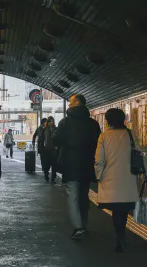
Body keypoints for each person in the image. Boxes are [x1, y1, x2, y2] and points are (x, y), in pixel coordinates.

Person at [53, 94, 101, 239]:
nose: (68, 105)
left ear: (77, 103)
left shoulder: (65, 122)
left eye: (71, 102)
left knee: (72, 194)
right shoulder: (93, 124)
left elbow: (56, 139)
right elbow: (98, 142)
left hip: (70, 164)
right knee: (83, 195)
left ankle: (78, 227)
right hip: (87, 163)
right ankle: (84, 225)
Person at [95, 108, 139, 252]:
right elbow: (138, 154)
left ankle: (119, 236)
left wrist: (98, 176)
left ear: (107, 121)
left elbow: (99, 161)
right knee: (123, 209)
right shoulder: (130, 135)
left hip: (110, 178)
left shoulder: (103, 136)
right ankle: (121, 235)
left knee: (115, 210)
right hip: (128, 178)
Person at [39, 117, 57, 183]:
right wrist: (41, 148)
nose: (51, 123)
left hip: (53, 149)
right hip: (46, 150)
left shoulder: (56, 129)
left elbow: (58, 138)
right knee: (47, 164)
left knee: (54, 165)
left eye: (52, 121)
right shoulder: (45, 129)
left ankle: (53, 178)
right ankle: (46, 174)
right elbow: (41, 139)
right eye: (50, 121)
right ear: (48, 122)